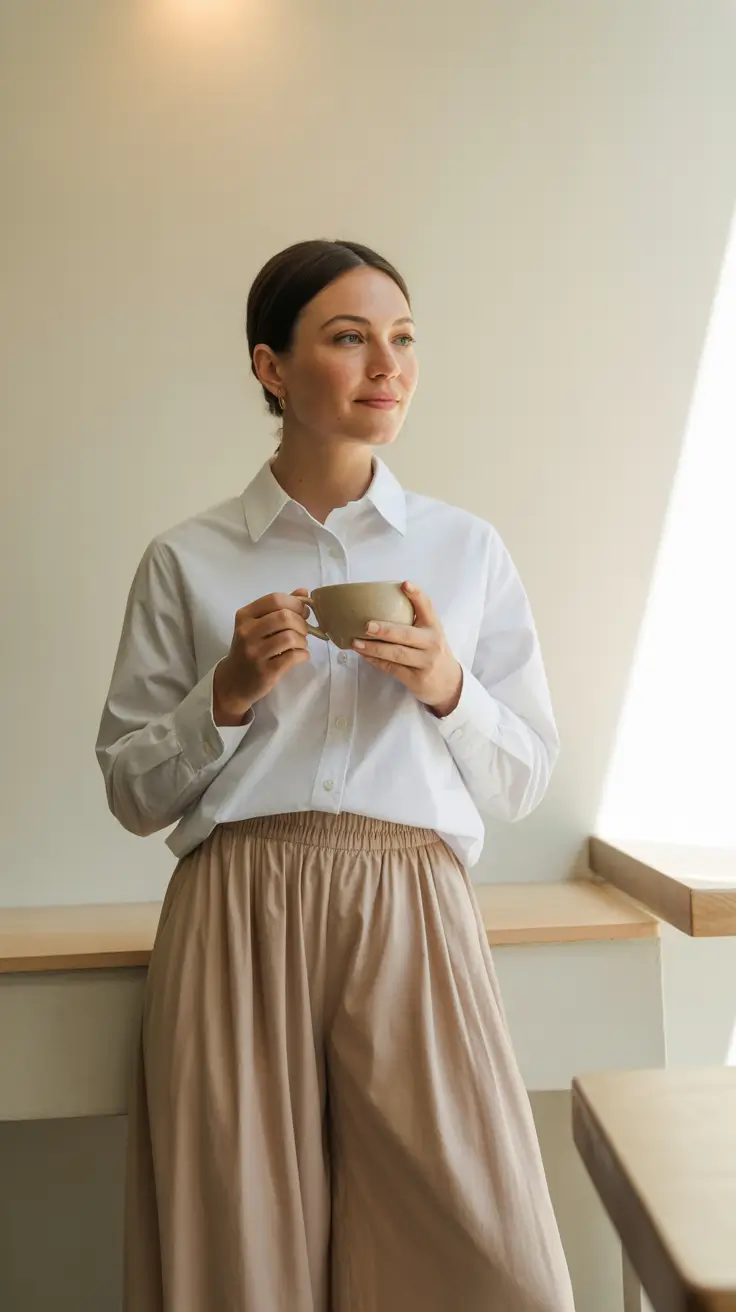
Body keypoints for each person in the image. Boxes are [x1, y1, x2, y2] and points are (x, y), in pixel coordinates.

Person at [96, 239, 575, 1312]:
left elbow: (522, 775)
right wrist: (222, 692)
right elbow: (132, 789)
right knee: (241, 1260)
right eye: (348, 337)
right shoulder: (190, 557)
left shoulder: (464, 549)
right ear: (272, 367)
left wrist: (450, 683)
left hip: (412, 905)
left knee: (491, 1261)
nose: (386, 365)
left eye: (401, 339)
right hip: (237, 911)